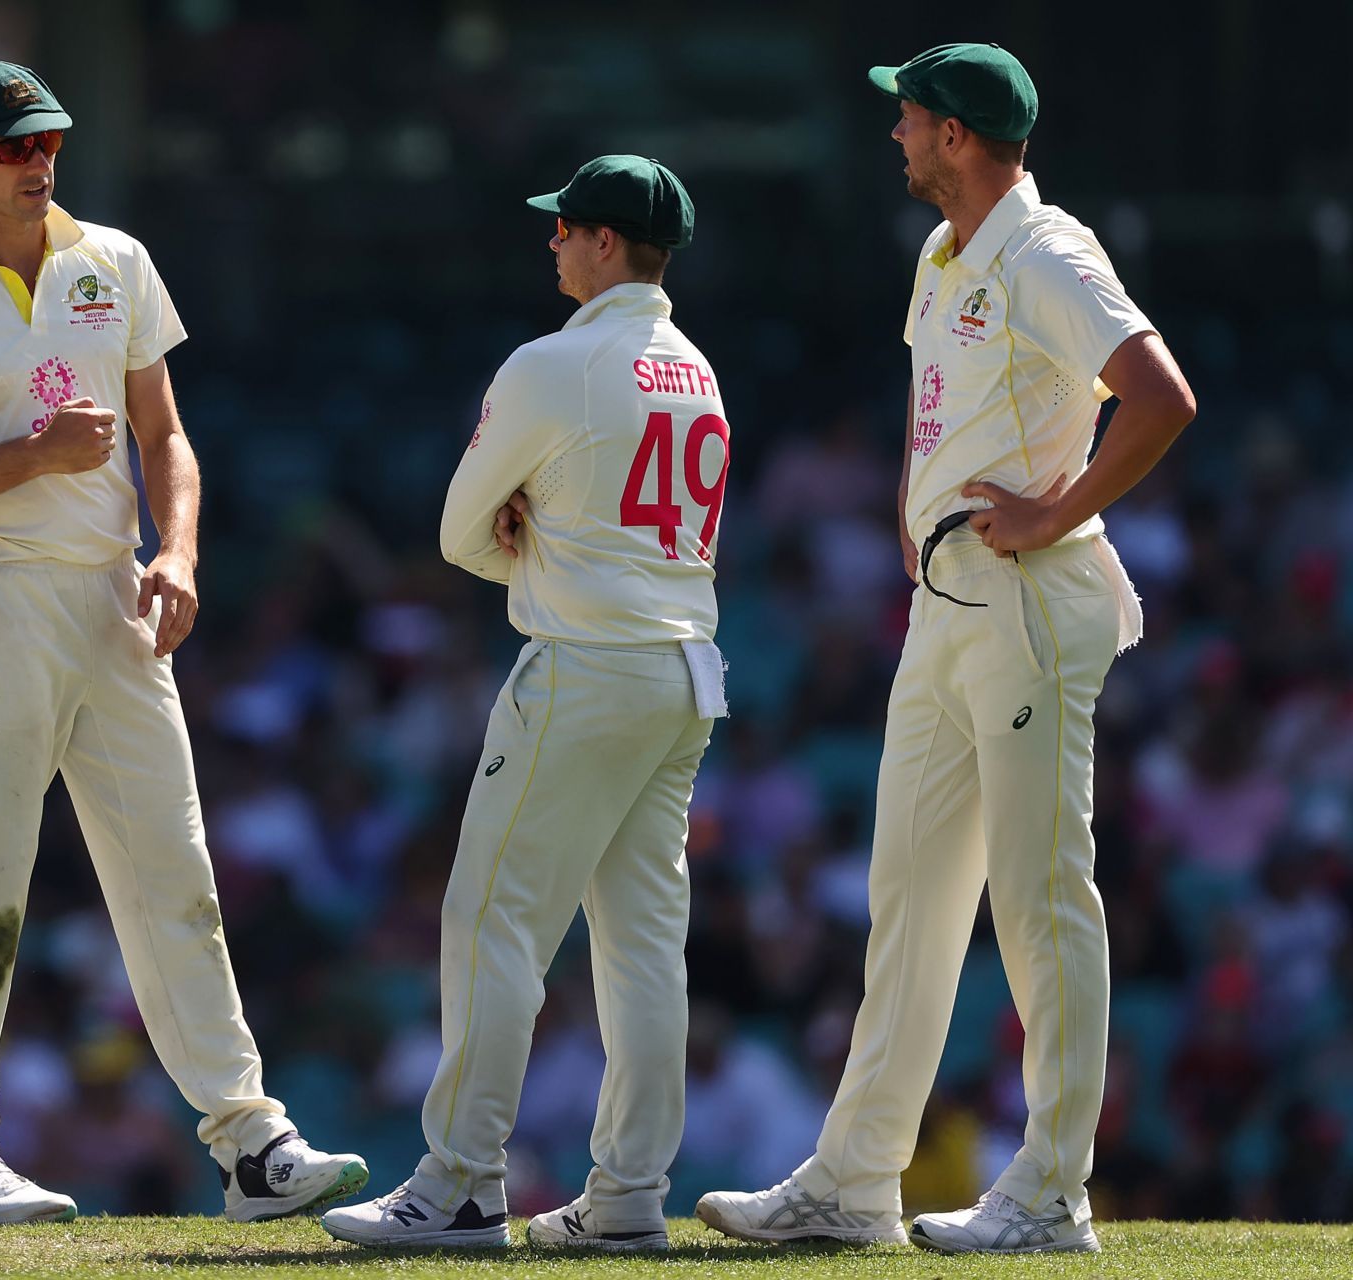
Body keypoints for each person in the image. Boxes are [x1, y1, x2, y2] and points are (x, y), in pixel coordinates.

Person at [0, 57, 366, 1227]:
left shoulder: (114, 262)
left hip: (115, 601)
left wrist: (176, 553)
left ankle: (249, 1143)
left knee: (175, 874)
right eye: (13, 148)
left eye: (49, 144)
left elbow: (165, 435)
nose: (39, 164)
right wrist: (30, 454)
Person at [694, 42, 1196, 1255]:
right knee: (909, 899)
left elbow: (1162, 394)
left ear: (960, 136)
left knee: (1037, 892)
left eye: (910, 117)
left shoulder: (1046, 249)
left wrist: (1051, 511)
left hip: (1026, 592)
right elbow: (947, 414)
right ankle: (855, 1181)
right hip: (950, 597)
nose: (897, 134)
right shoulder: (944, 253)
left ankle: (1054, 1188)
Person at [322, 156, 729, 1252]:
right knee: (643, 941)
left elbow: (461, 532)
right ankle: (632, 1194)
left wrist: (538, 554)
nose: (552, 242)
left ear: (605, 243)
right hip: (686, 668)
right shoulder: (697, 368)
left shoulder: (551, 363)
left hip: (586, 665)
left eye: (567, 229)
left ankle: (460, 1180)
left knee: (490, 917)